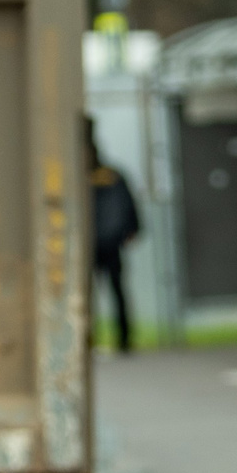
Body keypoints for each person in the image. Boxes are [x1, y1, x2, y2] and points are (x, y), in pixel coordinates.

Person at [88, 126, 142, 353]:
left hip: (94, 242)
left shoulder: (86, 177)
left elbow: (127, 203)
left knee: (91, 295)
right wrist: (133, 229)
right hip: (110, 241)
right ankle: (123, 340)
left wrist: (133, 228)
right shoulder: (113, 174)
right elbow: (129, 203)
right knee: (115, 291)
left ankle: (93, 341)